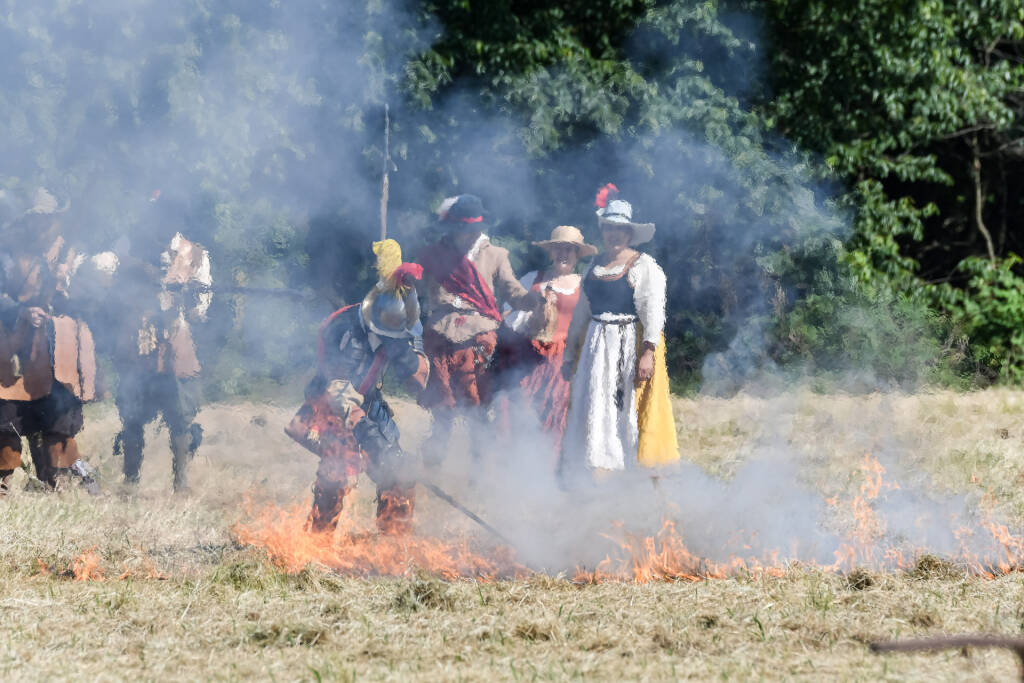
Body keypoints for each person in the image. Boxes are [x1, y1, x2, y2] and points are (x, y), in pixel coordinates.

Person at [285, 240, 429, 535]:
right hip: (329, 402)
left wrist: (406, 356)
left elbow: (421, 381)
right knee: (338, 472)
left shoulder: (407, 320)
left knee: (398, 471)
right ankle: (317, 542)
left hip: (369, 398)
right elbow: (339, 394)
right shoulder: (345, 328)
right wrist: (369, 440)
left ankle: (393, 544)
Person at [562, 184, 679, 481]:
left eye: (620, 229)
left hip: (627, 342)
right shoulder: (593, 265)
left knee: (623, 404)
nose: (613, 234)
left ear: (629, 233)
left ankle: (628, 469)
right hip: (595, 343)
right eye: (609, 228)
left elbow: (653, 312)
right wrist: (570, 352)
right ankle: (597, 467)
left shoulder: (643, 266)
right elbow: (582, 311)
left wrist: (648, 353)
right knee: (595, 401)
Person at [0, 189, 111, 494]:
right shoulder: (10, 253)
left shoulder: (76, 257)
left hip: (63, 348)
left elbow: (95, 302)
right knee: (8, 417)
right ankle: (3, 483)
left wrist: (72, 285)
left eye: (47, 218)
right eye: (36, 219)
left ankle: (58, 481)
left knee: (58, 422)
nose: (41, 225)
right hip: (18, 344)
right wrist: (21, 311)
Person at [417, 194, 539, 468]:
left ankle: (480, 465)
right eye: (463, 229)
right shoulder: (434, 255)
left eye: (473, 230)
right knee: (442, 403)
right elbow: (410, 286)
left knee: (479, 402)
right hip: (440, 334)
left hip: (481, 335)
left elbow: (513, 291)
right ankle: (433, 464)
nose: (468, 235)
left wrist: (531, 300)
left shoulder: (496, 255)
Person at [111, 193, 212, 493]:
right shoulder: (127, 247)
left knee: (180, 415)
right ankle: (130, 483)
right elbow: (111, 290)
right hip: (137, 337)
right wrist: (144, 280)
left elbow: (199, 312)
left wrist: (190, 297)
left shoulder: (196, 255)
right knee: (132, 416)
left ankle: (181, 484)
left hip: (175, 338)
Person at [499, 225, 595, 461]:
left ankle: (547, 471)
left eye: (569, 250)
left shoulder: (586, 285)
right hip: (527, 356)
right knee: (518, 410)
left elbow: (591, 326)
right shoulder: (533, 279)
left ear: (577, 254)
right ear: (550, 252)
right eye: (558, 248)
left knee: (554, 415)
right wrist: (534, 308)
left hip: (562, 362)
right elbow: (509, 315)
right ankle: (513, 465)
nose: (564, 254)